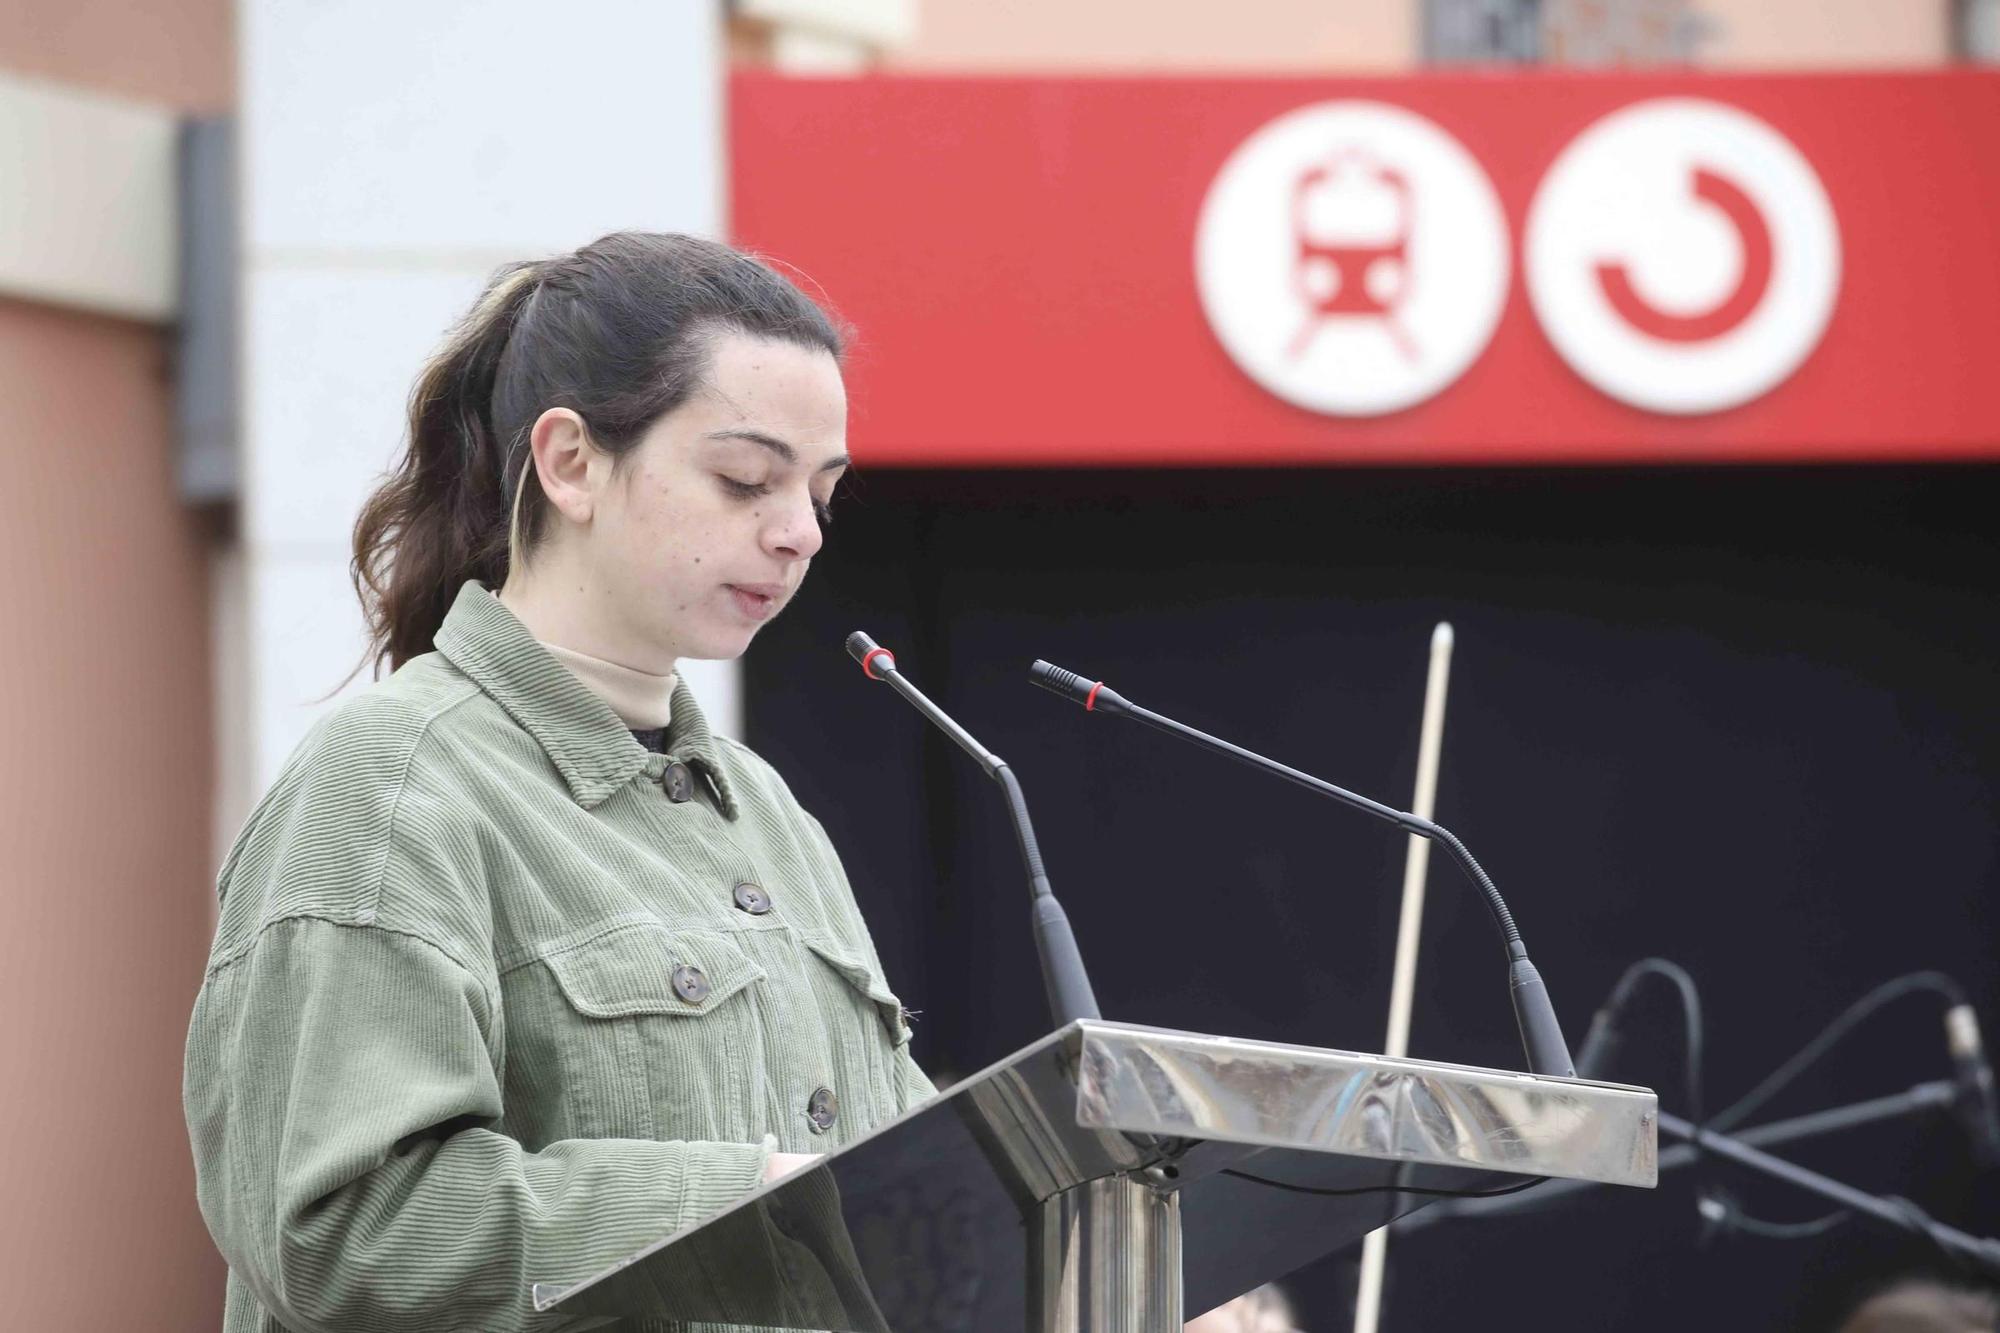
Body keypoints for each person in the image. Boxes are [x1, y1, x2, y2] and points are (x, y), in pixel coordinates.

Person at [183, 231, 933, 1333]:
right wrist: (749, 1205)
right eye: (744, 478)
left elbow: (907, 1203)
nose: (798, 533)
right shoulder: (391, 786)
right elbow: (338, 1232)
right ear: (570, 461)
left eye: (822, 490)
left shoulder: (769, 813)